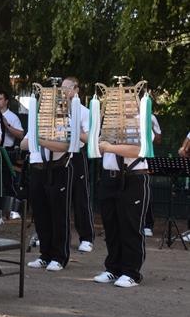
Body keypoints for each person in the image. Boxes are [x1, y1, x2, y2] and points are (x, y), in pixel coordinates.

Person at [94, 137, 150, 288]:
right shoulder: (107, 125)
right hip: (109, 177)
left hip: (133, 177)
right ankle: (113, 268)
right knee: (111, 227)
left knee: (131, 227)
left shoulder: (141, 124)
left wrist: (109, 147)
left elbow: (139, 150)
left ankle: (131, 273)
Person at [22, 128, 73, 272]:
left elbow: (65, 146)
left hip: (57, 167)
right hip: (37, 169)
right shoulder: (36, 124)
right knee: (40, 215)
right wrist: (41, 140)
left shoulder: (63, 122)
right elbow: (23, 144)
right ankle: (45, 254)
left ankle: (59, 257)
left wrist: (39, 140)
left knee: (59, 215)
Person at [61, 77, 95, 252]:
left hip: (76, 154)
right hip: (58, 154)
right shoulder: (57, 110)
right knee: (58, 197)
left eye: (67, 87)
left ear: (76, 89)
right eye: (62, 88)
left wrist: (73, 127)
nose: (64, 91)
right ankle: (58, 237)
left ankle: (86, 237)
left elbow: (89, 138)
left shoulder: (84, 112)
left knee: (80, 196)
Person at [143, 114, 162, 237]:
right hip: (123, 157)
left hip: (144, 158)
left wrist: (150, 129)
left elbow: (158, 140)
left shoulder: (150, 117)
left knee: (146, 190)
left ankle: (147, 224)